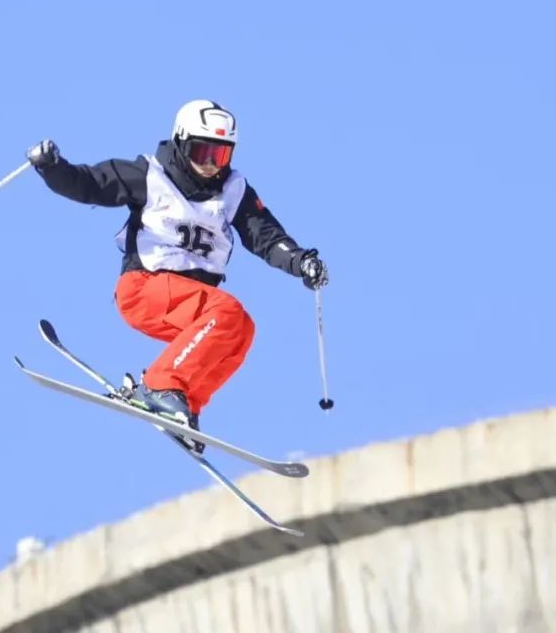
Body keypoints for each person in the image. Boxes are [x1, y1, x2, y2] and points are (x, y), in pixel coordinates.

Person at [25, 100, 328, 452]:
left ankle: (182, 405)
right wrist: (52, 167)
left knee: (242, 330)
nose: (211, 165)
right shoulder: (150, 176)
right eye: (202, 152)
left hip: (189, 301)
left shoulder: (234, 192)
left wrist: (301, 261)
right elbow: (89, 184)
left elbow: (266, 237)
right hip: (145, 287)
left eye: (221, 155)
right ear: (182, 143)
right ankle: (160, 386)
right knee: (226, 312)